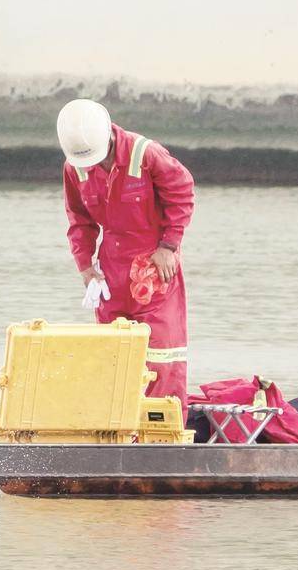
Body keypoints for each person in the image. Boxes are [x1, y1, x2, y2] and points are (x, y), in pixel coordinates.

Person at [58, 98, 195, 413]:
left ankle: (164, 426)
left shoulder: (145, 154)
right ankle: (118, 425)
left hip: (153, 265)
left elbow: (182, 192)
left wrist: (168, 247)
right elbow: (79, 221)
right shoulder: (74, 167)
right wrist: (85, 268)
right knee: (113, 353)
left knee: (162, 353)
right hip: (111, 269)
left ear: (107, 136)